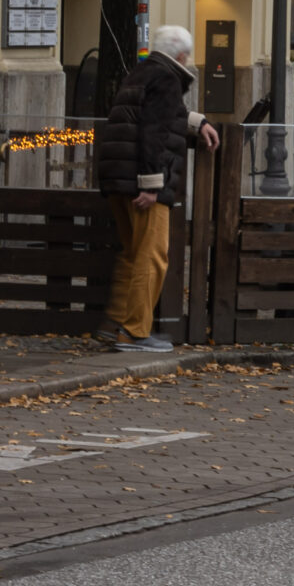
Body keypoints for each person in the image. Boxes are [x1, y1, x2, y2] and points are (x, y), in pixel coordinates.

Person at [93, 26, 220, 352]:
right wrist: (152, 185)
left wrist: (197, 121)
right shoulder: (166, 80)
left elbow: (157, 115)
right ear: (181, 56)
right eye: (188, 56)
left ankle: (114, 324)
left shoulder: (144, 72)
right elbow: (154, 133)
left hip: (116, 176)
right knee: (153, 256)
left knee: (132, 253)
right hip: (140, 181)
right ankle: (134, 332)